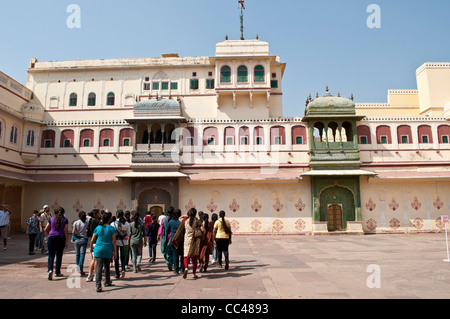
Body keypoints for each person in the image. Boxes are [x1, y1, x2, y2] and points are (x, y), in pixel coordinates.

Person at [90, 210, 117, 292]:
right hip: (107, 249)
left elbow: (92, 240)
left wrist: (91, 248)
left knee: (98, 267)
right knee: (107, 266)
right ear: (109, 220)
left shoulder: (98, 228)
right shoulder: (111, 228)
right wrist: (115, 251)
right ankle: (107, 281)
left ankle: (98, 285)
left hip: (98, 249)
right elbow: (114, 241)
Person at [45, 207, 68, 280]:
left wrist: (49, 234)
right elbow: (66, 230)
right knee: (59, 255)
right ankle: (57, 271)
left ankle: (50, 269)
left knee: (51, 255)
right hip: (60, 237)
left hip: (51, 237)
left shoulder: (51, 219)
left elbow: (46, 229)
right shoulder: (65, 220)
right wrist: (66, 241)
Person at [183, 208, 202, 279]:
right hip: (195, 240)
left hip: (187, 239)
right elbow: (201, 225)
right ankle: (194, 273)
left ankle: (186, 268)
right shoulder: (197, 221)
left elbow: (179, 220)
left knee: (186, 255)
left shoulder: (185, 221)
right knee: (194, 258)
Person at [112, 209, 130, 279]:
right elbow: (128, 234)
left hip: (116, 242)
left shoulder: (113, 224)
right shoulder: (127, 224)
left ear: (116, 215)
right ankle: (123, 269)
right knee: (123, 257)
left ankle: (117, 273)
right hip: (124, 242)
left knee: (116, 257)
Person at [72, 211, 89, 275]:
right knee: (82, 254)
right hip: (83, 239)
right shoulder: (86, 223)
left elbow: (73, 232)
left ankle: (77, 268)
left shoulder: (76, 222)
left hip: (77, 239)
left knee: (77, 254)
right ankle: (80, 268)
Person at [86, 209, 101, 282]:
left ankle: (89, 275)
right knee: (96, 260)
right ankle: (95, 275)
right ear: (95, 214)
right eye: (98, 213)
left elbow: (88, 234)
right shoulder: (98, 222)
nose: (100, 214)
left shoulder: (90, 222)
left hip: (93, 242)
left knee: (93, 259)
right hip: (97, 242)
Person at [167, 209, 183, 274]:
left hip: (174, 239)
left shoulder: (171, 221)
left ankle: (176, 270)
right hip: (181, 239)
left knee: (175, 255)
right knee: (182, 254)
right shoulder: (182, 222)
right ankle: (182, 269)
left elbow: (167, 230)